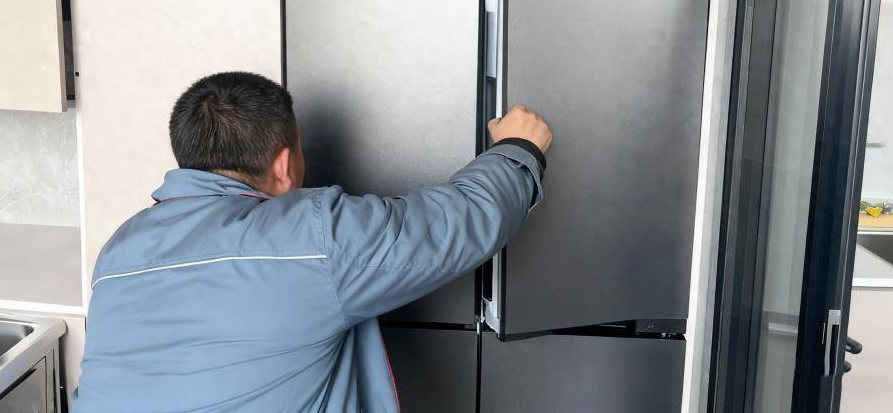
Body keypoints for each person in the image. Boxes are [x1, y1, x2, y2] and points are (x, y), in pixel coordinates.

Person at [73, 71, 552, 412]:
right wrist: (517, 148)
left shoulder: (119, 250)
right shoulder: (309, 239)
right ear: (284, 165)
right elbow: (455, 223)